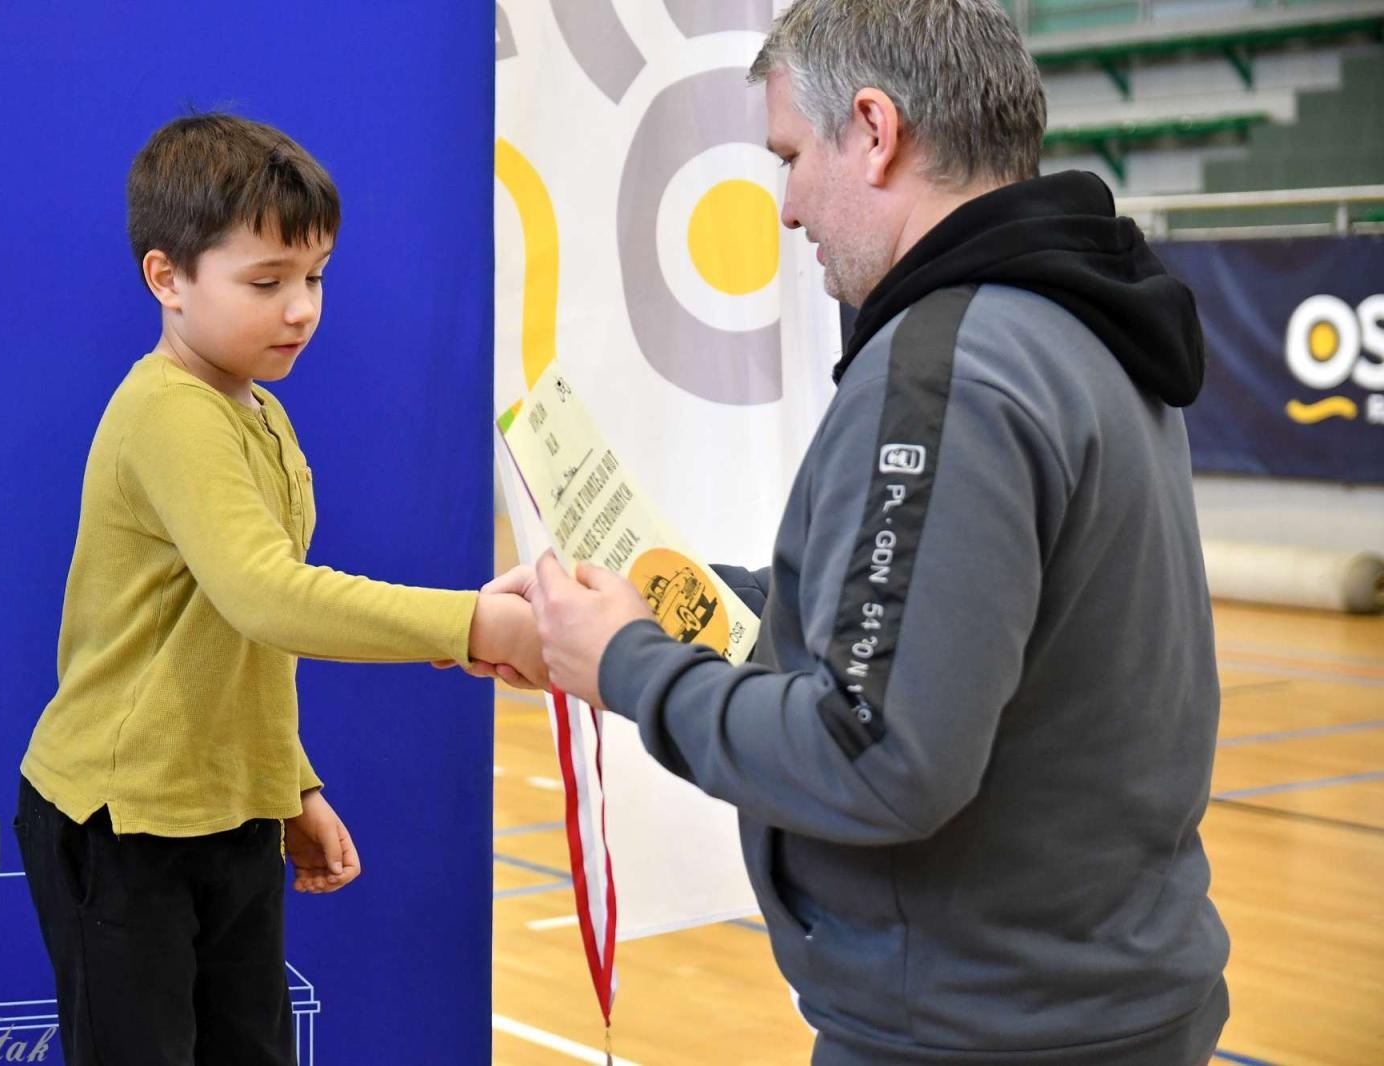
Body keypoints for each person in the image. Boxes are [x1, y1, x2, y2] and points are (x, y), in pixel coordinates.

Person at [507, 1, 1231, 1062]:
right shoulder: (1073, 322)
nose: (789, 207)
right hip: (1082, 999)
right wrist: (648, 600)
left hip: (984, 1026)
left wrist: (627, 665)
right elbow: (915, 622)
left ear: (875, 130)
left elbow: (878, 757)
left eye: (793, 157)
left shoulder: (949, 371)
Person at [15, 112, 541, 1066]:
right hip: (123, 822)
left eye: (315, 277)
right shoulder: (170, 415)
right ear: (166, 279)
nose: (302, 308)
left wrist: (285, 783)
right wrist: (471, 622)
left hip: (229, 812)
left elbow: (240, 634)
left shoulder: (261, 411)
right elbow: (270, 595)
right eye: (267, 282)